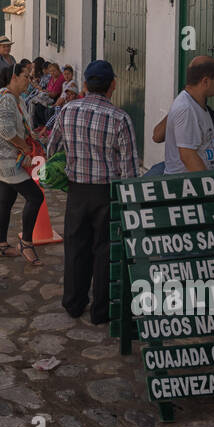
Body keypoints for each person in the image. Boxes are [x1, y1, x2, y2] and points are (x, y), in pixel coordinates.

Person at [45, 60, 140, 322]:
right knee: (105, 249)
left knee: (76, 247)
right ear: (113, 86)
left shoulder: (67, 111)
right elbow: (129, 170)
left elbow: (51, 150)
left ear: (85, 85)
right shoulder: (121, 119)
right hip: (107, 193)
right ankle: (101, 310)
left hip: (77, 192)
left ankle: (74, 303)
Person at [0, 62, 44, 265]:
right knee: (35, 197)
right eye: (26, 76)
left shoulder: (11, 97)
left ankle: (1, 245)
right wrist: (25, 148)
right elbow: (6, 130)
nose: (30, 81)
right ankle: (26, 243)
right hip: (6, 160)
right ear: (14, 77)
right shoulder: (8, 98)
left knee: (6, 200)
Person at [163, 55, 214, 173]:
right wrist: (210, 186)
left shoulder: (196, 104)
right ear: (205, 81)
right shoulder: (187, 109)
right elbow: (188, 156)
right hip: (187, 187)